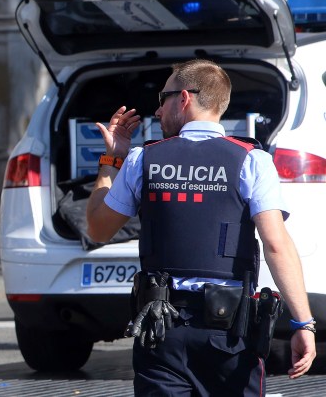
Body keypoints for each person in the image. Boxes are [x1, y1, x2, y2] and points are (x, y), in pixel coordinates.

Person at [85, 59, 316, 395]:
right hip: (229, 335)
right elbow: (276, 245)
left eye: (163, 98)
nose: (157, 110)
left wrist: (111, 161)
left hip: (160, 331)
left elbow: (97, 230)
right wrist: (303, 323)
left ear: (184, 98)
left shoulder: (141, 159)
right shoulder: (252, 160)